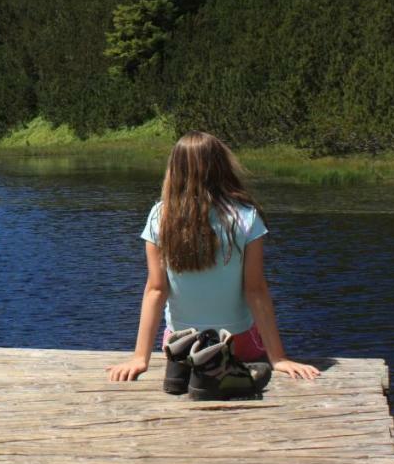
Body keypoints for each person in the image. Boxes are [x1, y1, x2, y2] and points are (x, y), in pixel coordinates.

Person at [106, 131, 320, 383]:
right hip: (237, 345)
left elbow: (155, 290)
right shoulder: (246, 216)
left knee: (174, 332)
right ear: (221, 166)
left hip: (181, 345)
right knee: (249, 337)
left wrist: (140, 358)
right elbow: (256, 290)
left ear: (174, 169)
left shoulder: (159, 216)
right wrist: (279, 359)